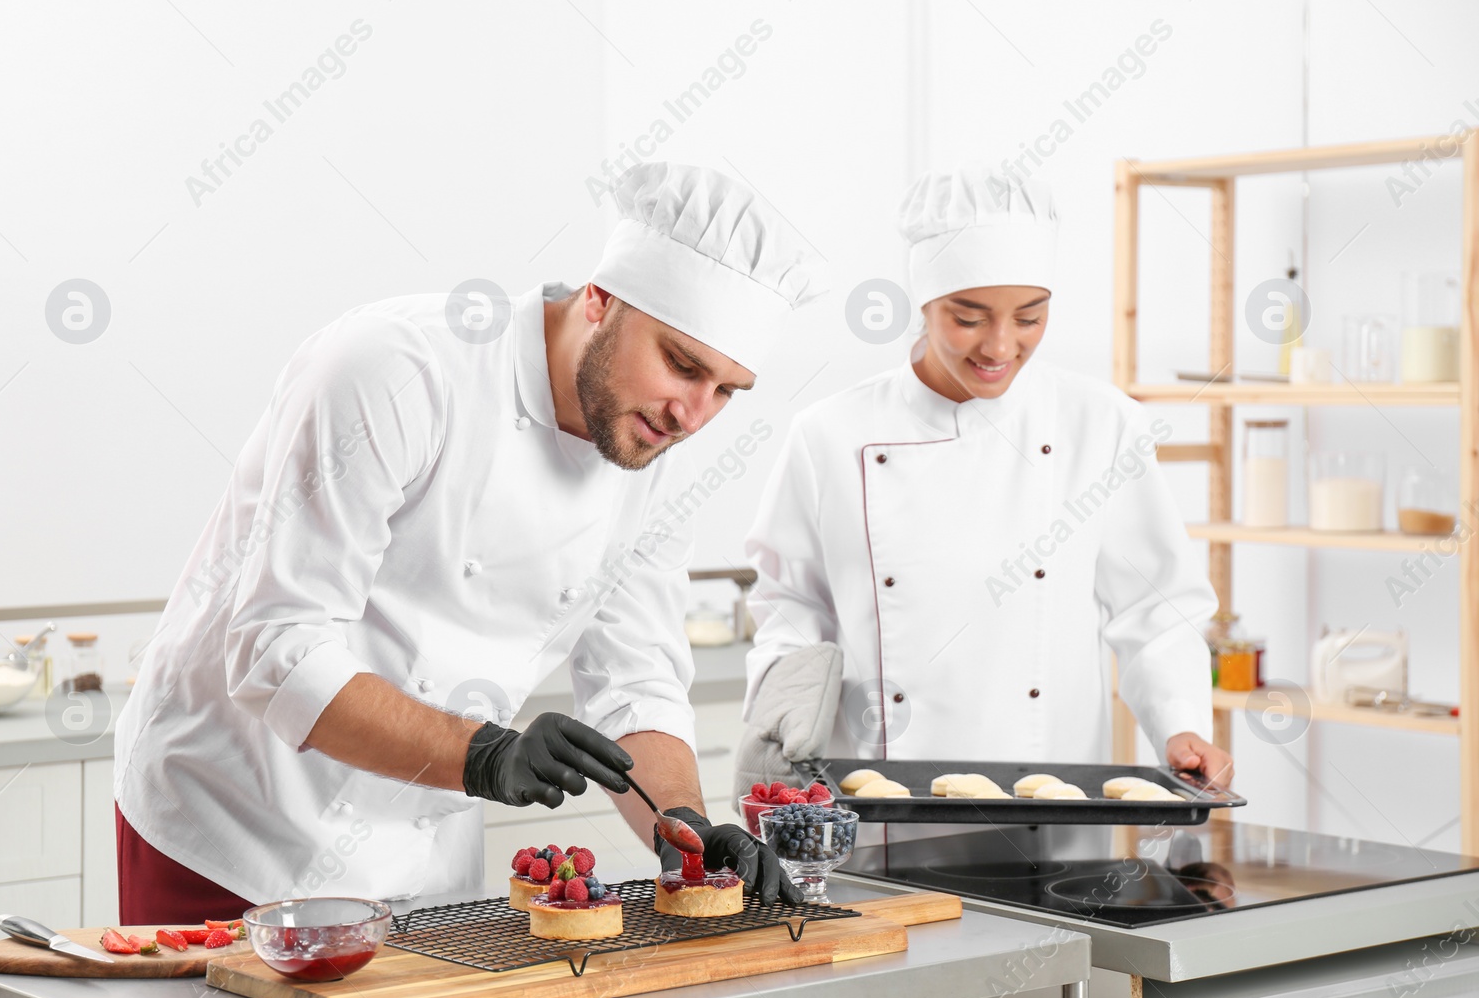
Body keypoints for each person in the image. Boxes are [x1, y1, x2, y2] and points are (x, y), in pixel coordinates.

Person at [114, 162, 823, 923]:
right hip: (235, 827)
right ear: (600, 298)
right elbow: (273, 650)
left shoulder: (646, 450)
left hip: (424, 854)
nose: (693, 413)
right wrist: (486, 755)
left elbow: (636, 676)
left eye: (726, 390)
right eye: (682, 364)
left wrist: (684, 826)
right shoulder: (398, 371)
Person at [736, 167, 1231, 811]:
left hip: (1053, 803)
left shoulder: (1100, 424)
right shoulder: (830, 434)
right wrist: (783, 714)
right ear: (923, 303)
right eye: (968, 317)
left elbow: (1157, 608)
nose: (1001, 345)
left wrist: (1182, 721)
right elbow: (790, 604)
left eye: (1030, 317)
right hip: (878, 799)